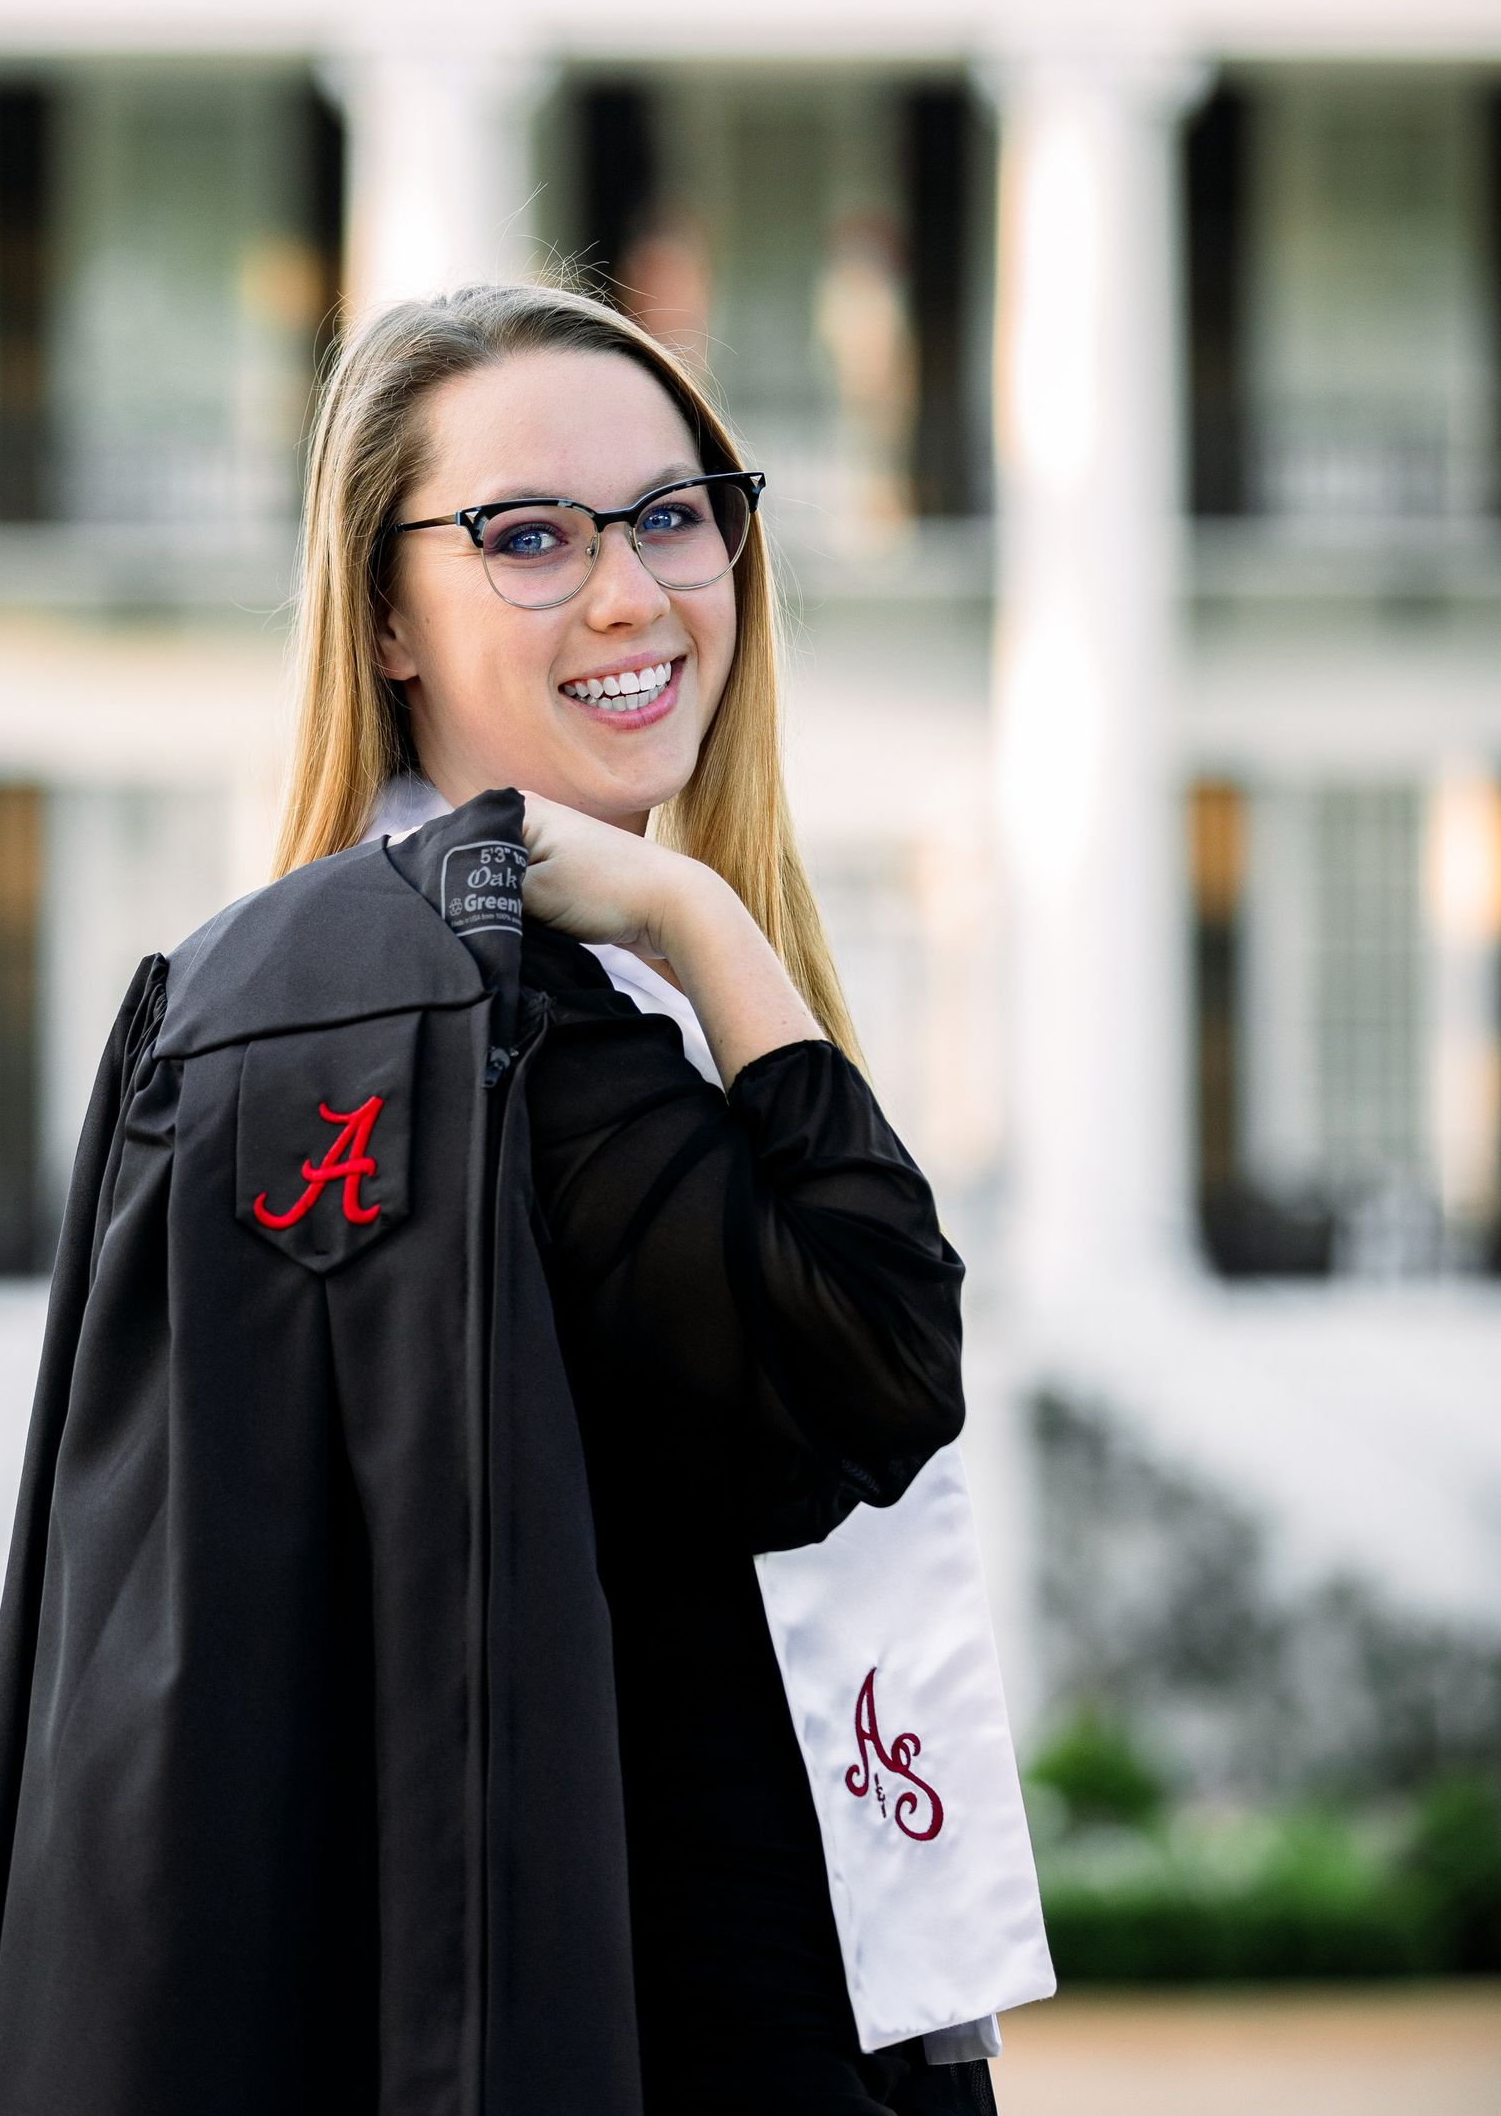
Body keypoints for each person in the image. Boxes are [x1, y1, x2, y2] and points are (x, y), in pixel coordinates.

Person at [280, 280, 991, 2115]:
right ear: (382, 617)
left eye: (673, 515)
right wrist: (708, 915)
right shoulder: (497, 1025)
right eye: (527, 537)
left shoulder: (467, 990)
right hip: (674, 2009)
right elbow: (882, 1364)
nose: (630, 592)